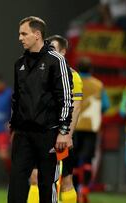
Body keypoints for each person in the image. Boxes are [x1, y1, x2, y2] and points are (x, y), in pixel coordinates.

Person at [8, 16, 74, 203]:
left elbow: (66, 97)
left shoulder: (56, 61)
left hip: (48, 134)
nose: (20, 38)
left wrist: (63, 131)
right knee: (16, 183)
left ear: (37, 35)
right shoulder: (19, 63)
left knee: (47, 184)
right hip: (23, 134)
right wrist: (13, 125)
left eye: (24, 33)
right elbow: (17, 97)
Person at [27, 35, 83, 203]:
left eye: (53, 49)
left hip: (61, 135)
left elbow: (76, 107)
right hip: (39, 135)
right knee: (35, 178)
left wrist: (67, 135)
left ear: (64, 52)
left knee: (65, 181)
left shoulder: (72, 76)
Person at [73, 57, 110, 203]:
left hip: (74, 127)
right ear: (91, 69)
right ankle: (85, 190)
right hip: (91, 127)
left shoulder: (73, 82)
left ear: (77, 68)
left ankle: (74, 190)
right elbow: (105, 105)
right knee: (87, 160)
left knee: (74, 161)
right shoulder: (98, 85)